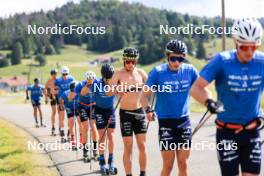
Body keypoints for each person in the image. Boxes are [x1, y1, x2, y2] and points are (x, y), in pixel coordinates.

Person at [190, 18, 263, 176]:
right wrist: (209, 102)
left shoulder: (262, 62)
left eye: (254, 46)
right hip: (226, 133)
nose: (249, 52)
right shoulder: (222, 61)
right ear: (235, 41)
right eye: (244, 47)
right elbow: (196, 88)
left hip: (252, 132)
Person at [144, 40, 198, 176]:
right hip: (166, 123)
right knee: (168, 166)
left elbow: (200, 89)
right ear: (167, 56)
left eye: (180, 59)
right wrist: (148, 110)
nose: (176, 62)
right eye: (173, 58)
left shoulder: (190, 71)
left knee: (183, 164)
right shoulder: (157, 72)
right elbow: (143, 96)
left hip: (184, 122)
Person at [108, 47, 149, 176]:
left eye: (133, 62)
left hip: (139, 112)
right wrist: (117, 90)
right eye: (127, 62)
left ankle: (143, 173)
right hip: (125, 113)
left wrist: (150, 108)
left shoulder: (141, 73)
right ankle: (129, 174)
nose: (130, 64)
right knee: (128, 146)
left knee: (142, 145)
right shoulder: (118, 74)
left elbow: (152, 88)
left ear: (136, 62)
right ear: (123, 61)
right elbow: (108, 91)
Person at [91, 64, 117, 175]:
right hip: (99, 110)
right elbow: (90, 96)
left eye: (110, 78)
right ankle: (102, 161)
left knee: (111, 136)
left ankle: (111, 160)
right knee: (102, 136)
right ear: (103, 77)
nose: (108, 81)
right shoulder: (96, 83)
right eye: (107, 79)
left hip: (110, 110)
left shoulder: (115, 82)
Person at [75, 71, 99, 162]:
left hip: (92, 106)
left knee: (93, 127)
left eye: (92, 79)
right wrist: (88, 85)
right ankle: (85, 151)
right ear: (86, 79)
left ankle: (95, 150)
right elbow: (82, 93)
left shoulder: (97, 83)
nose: (90, 80)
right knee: (85, 127)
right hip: (82, 106)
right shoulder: (81, 84)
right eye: (88, 79)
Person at [55, 66, 75, 142]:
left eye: (66, 74)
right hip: (62, 100)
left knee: (70, 118)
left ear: (68, 73)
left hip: (69, 100)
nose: (65, 75)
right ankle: (62, 135)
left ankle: (69, 134)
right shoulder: (58, 80)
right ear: (61, 74)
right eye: (63, 74)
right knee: (61, 117)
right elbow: (55, 89)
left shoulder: (71, 78)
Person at [61, 81, 82, 149]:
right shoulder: (65, 93)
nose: (74, 92)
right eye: (72, 90)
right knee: (71, 122)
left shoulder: (79, 92)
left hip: (77, 107)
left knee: (80, 122)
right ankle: (73, 142)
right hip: (69, 108)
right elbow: (61, 100)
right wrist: (62, 106)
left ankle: (81, 141)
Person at [45, 68, 59, 136]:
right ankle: (53, 127)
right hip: (52, 96)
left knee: (60, 113)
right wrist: (47, 97)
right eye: (53, 74)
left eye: (56, 74)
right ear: (51, 74)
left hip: (59, 96)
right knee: (54, 112)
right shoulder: (49, 81)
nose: (55, 75)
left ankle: (60, 127)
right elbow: (46, 89)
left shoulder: (59, 80)